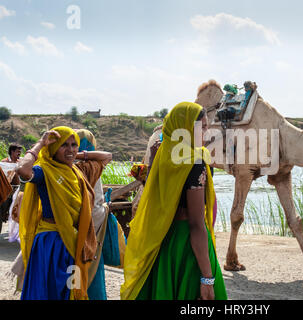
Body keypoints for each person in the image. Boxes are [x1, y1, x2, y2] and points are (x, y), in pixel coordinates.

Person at [121, 102, 227, 300]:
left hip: (164, 242)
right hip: (188, 246)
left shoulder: (164, 157)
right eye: (202, 127)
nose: (207, 132)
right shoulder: (195, 163)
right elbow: (196, 224)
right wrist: (207, 278)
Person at [17, 126, 97, 300]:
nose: (70, 149)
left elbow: (106, 158)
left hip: (74, 242)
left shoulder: (77, 172)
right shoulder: (45, 171)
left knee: (71, 289)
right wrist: (40, 144)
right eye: (64, 145)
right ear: (53, 148)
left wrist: (81, 155)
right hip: (51, 243)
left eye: (74, 144)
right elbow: (22, 170)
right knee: (50, 290)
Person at [74, 129, 126, 300]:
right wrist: (106, 207)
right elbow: (94, 209)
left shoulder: (62, 166)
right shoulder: (93, 167)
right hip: (90, 235)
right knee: (91, 280)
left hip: (66, 231)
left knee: (70, 281)